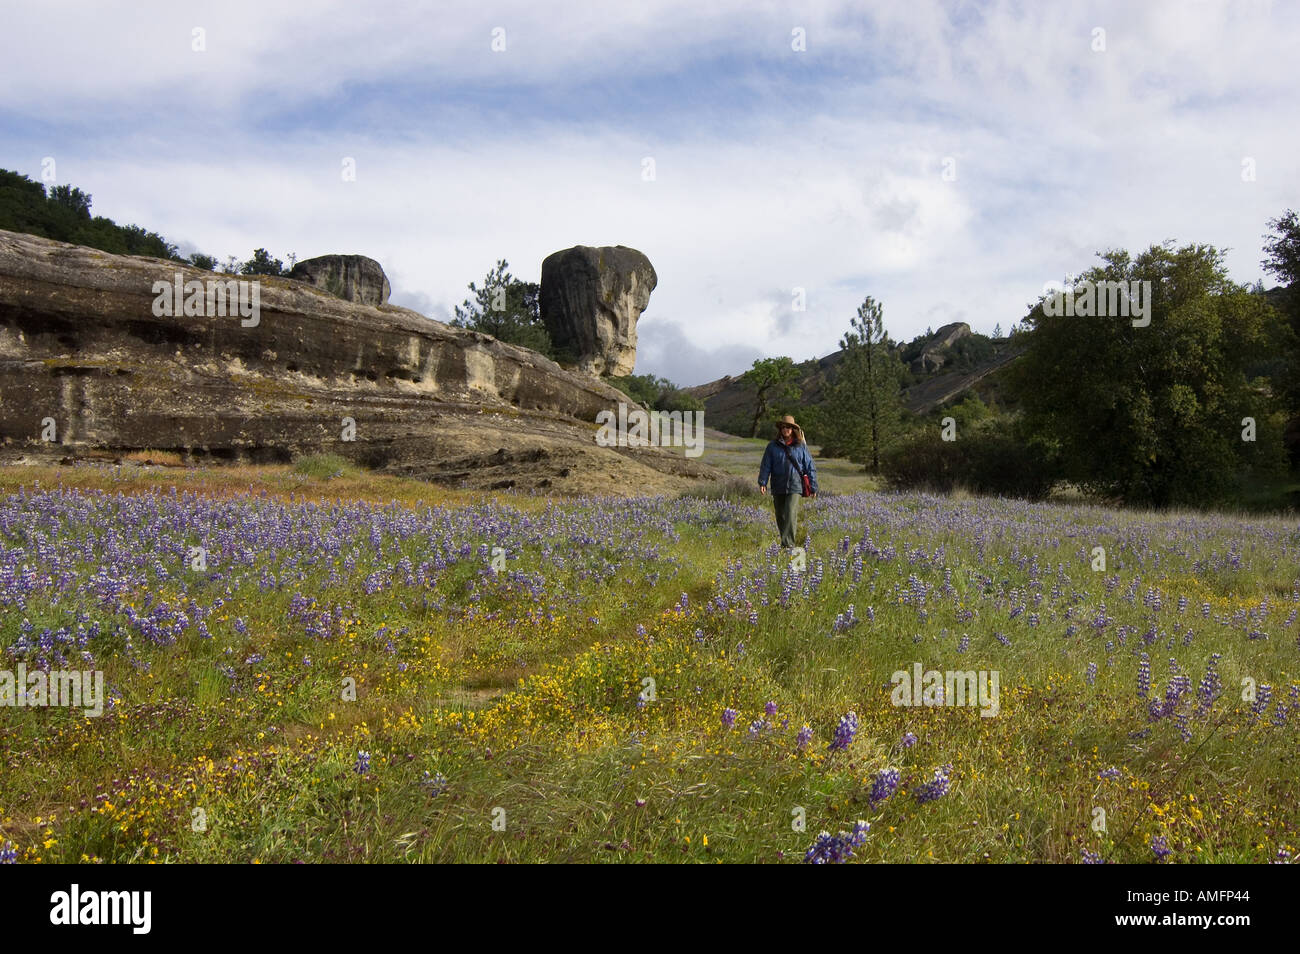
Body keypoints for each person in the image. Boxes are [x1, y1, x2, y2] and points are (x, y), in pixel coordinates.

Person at [757, 414, 818, 548]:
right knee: (780, 516)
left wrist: (813, 486)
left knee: (790, 513)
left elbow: (809, 466)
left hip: (795, 484)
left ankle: (788, 546)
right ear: (780, 429)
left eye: (789, 427)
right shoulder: (772, 446)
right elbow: (766, 465)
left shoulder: (801, 446)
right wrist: (763, 482)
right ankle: (786, 541)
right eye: (783, 427)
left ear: (793, 429)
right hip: (778, 484)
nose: (786, 430)